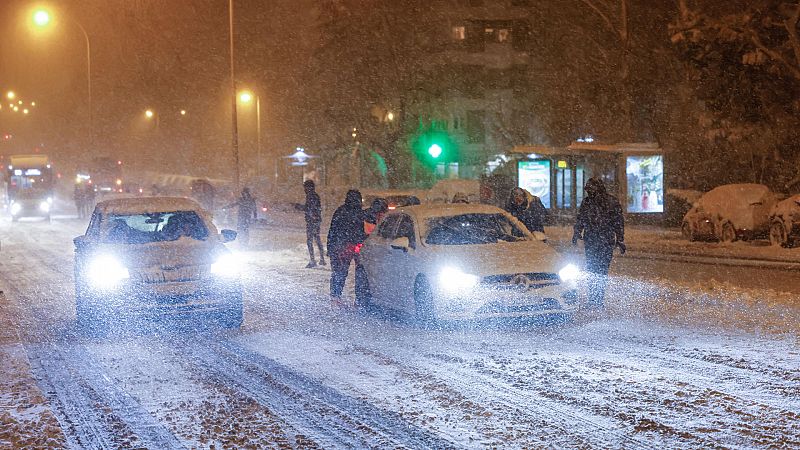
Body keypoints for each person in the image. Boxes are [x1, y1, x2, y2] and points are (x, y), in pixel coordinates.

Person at [571, 177, 625, 308]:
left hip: (604, 241)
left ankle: (597, 299)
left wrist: (620, 239)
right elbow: (581, 219)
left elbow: (618, 222)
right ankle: (594, 299)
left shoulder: (610, 202)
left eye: (591, 189)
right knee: (594, 270)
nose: (589, 192)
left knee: (600, 270)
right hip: (593, 240)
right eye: (588, 190)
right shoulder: (588, 202)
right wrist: (577, 232)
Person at [326, 189, 368, 306]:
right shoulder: (359, 213)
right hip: (351, 246)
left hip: (339, 245)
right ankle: (347, 297)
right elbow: (360, 231)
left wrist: (330, 246)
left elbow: (333, 230)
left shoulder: (340, 211)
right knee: (349, 272)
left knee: (338, 271)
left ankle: (335, 296)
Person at [296, 180, 326, 268]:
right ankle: (322, 259)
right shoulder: (315, 196)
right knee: (317, 239)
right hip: (316, 220)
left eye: (305, 187)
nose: (304, 189)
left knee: (310, 240)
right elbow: (315, 208)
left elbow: (309, 209)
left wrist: (299, 207)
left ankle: (313, 260)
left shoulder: (311, 196)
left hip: (312, 221)